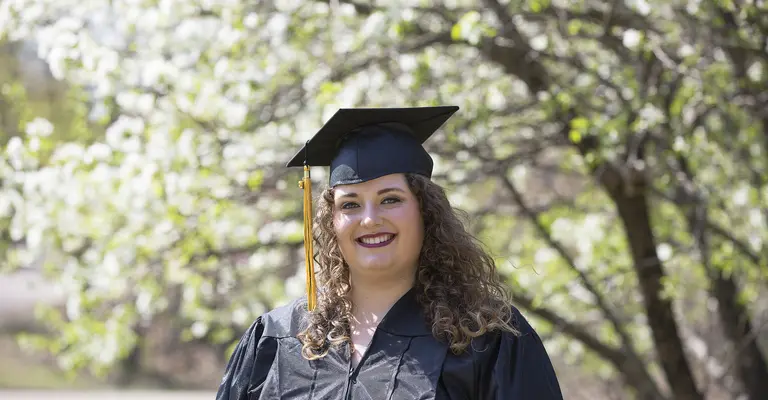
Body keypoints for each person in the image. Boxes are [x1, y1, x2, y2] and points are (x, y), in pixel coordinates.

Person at [215, 106, 564, 399]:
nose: (369, 219)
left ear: (425, 211)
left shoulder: (485, 338)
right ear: (332, 221)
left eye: (390, 199)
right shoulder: (277, 338)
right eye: (350, 204)